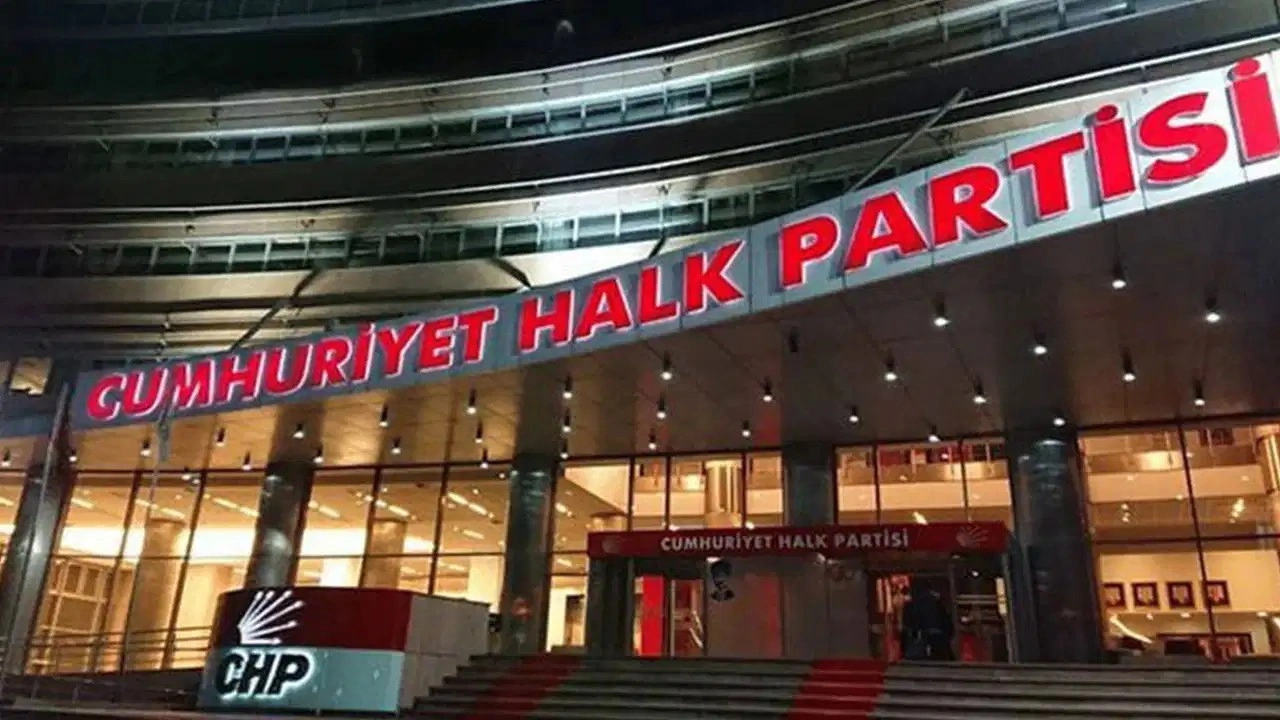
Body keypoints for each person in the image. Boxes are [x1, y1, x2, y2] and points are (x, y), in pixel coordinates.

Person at [900, 578, 954, 661]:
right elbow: (946, 622)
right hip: (938, 639)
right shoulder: (936, 603)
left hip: (918, 641)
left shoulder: (911, 605)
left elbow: (907, 626)